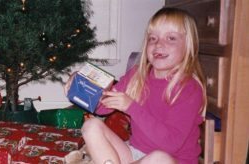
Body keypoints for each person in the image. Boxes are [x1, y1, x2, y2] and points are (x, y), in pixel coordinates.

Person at [78, 8, 206, 164]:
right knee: (91, 126)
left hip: (171, 160)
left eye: (171, 38)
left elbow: (170, 144)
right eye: (153, 38)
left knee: (159, 158)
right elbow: (102, 108)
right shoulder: (137, 75)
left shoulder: (189, 88)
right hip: (136, 154)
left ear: (188, 46)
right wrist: (79, 88)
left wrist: (132, 107)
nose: (159, 44)